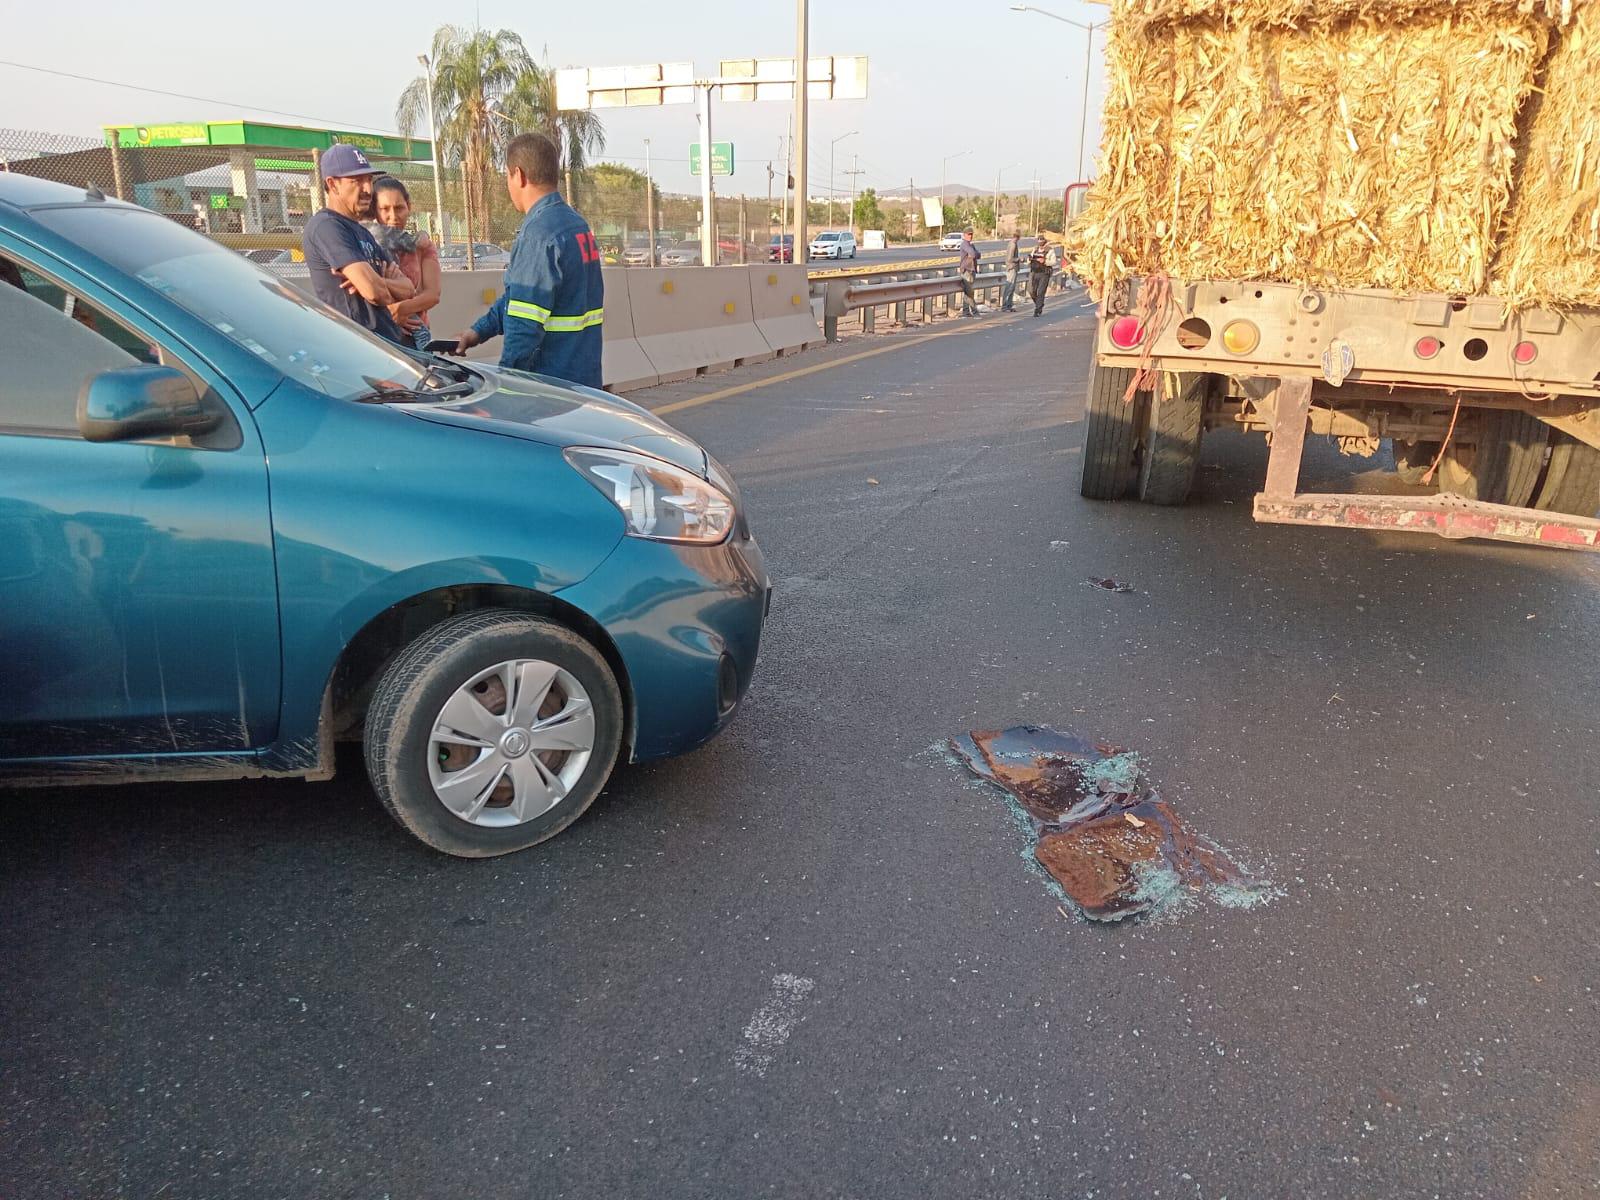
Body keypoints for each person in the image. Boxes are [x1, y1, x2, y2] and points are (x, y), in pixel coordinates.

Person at [454, 131, 603, 388]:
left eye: (507, 176)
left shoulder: (538, 234)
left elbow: (524, 324)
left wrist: (507, 383)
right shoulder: (576, 225)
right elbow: (520, 300)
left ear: (519, 175)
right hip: (583, 378)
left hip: (550, 386)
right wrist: (477, 332)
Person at [301, 143, 415, 346]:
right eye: (357, 181)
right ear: (333, 184)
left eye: (369, 180)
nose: (368, 189)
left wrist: (379, 283)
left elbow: (408, 290)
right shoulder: (326, 226)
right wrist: (379, 285)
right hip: (358, 349)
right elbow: (374, 292)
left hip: (389, 346)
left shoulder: (363, 233)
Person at [367, 176, 441, 350]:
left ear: (409, 207)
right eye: (385, 209)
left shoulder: (421, 245)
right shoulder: (368, 242)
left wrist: (400, 309)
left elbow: (432, 295)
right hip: (379, 334)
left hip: (417, 335)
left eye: (399, 208)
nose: (393, 216)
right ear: (374, 211)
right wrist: (388, 315)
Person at [1028, 234, 1054, 317]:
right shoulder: (1035, 249)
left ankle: (1038, 309)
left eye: (1042, 240)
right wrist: (1030, 260)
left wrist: (1045, 261)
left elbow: (1053, 262)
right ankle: (1039, 303)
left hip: (1044, 273)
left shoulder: (1050, 250)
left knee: (1041, 292)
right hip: (1034, 272)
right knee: (1032, 291)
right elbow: (1030, 259)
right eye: (1039, 240)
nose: (1040, 241)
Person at [957, 228, 981, 317]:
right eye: (968, 234)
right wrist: (973, 253)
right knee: (970, 293)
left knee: (968, 293)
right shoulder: (964, 244)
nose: (970, 236)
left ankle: (966, 312)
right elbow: (974, 254)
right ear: (964, 235)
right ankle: (975, 312)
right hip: (966, 271)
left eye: (971, 234)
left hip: (972, 270)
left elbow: (978, 255)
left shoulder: (971, 245)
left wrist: (974, 253)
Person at [1001, 232, 1021, 312]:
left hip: (1012, 268)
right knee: (1009, 287)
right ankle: (1005, 306)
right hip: (1012, 267)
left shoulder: (1011, 243)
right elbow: (1010, 258)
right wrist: (1019, 259)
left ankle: (1009, 305)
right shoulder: (1013, 245)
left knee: (1011, 288)